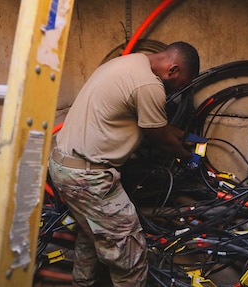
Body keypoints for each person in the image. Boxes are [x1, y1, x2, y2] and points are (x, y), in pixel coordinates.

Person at [48, 41, 200, 287]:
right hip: (89, 179)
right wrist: (189, 158)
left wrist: (185, 136)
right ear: (173, 70)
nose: (177, 90)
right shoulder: (149, 85)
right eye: (180, 83)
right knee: (131, 256)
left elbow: (154, 125)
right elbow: (161, 140)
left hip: (63, 167)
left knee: (90, 235)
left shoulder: (130, 62)